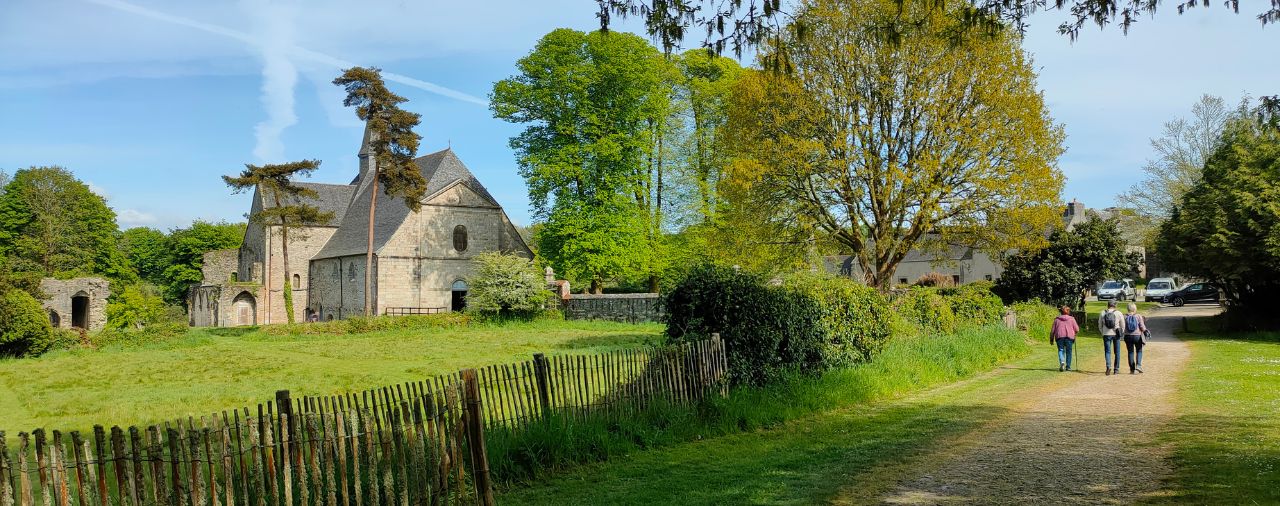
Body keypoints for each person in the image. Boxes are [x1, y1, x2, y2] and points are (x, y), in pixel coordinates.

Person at [1097, 300, 1126, 376]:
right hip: (1116, 334)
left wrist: (1102, 332)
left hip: (1106, 334)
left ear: (1108, 305)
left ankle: (1108, 366)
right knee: (1117, 352)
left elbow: (1099, 325)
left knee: (1107, 351)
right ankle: (1116, 369)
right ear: (1115, 305)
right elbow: (1123, 325)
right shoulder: (1118, 313)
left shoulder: (1102, 313)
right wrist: (1121, 332)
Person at [1050, 305, 1080, 372]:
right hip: (1069, 337)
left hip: (1059, 337)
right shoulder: (1072, 319)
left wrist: (1051, 339)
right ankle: (1068, 367)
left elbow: (1052, 331)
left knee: (1061, 350)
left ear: (1061, 312)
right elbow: (1077, 329)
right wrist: (1074, 333)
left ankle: (1062, 362)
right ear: (1068, 312)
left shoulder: (1056, 320)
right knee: (1069, 351)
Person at [1123, 302, 1148, 374]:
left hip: (1128, 336)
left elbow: (1122, 326)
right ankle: (1138, 366)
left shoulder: (1125, 317)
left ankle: (1132, 368)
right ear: (1135, 309)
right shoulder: (1138, 316)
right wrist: (1145, 331)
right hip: (1137, 336)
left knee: (1130, 352)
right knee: (1139, 350)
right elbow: (1142, 326)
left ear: (1128, 309)